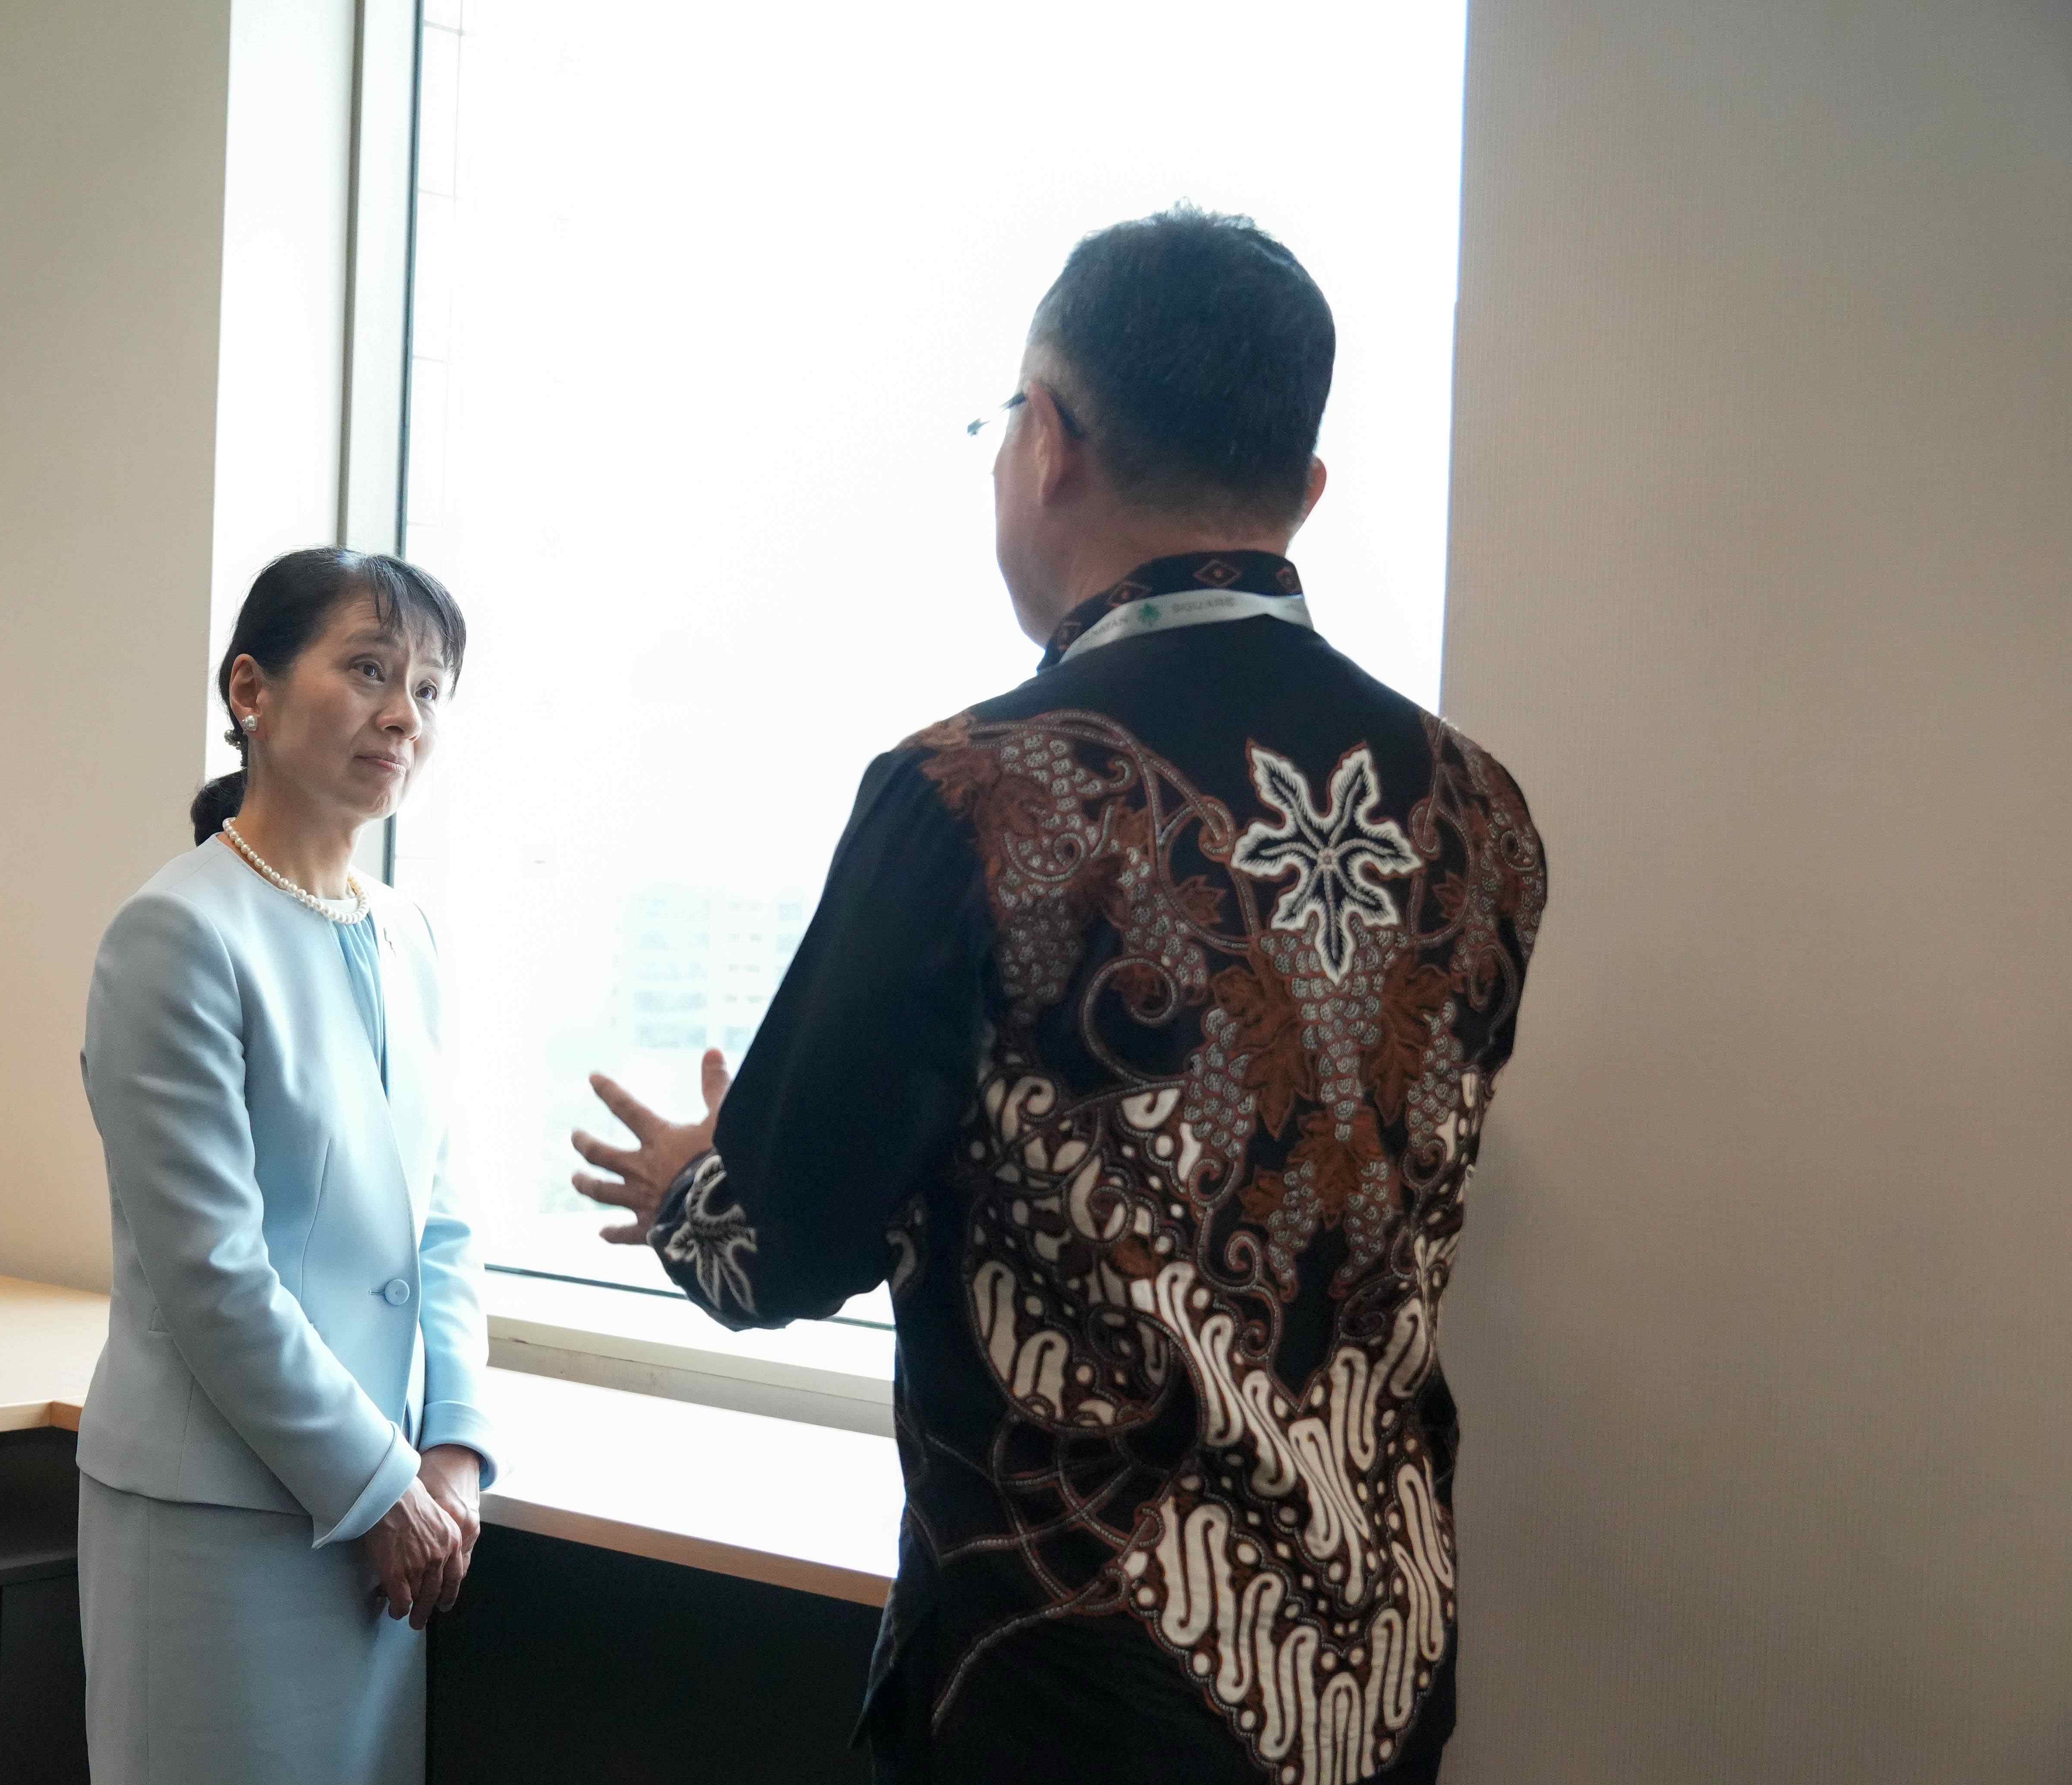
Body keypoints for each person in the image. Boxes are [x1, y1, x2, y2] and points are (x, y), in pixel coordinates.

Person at [571, 208, 1547, 1784]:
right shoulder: (1481, 813)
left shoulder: (981, 795)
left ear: (1043, 442)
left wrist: (699, 1182)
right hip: (1378, 1681)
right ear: (1304, 489)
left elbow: (769, 1251)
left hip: (1069, 1686)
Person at [77, 548, 498, 1785]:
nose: (403, 714)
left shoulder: (409, 934)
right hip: (222, 1516)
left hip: (392, 1522)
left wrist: (454, 1451)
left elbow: (444, 1223)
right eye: (368, 670)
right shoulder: (177, 933)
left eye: (429, 687)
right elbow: (215, 1275)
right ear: (250, 691)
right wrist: (381, 1489)